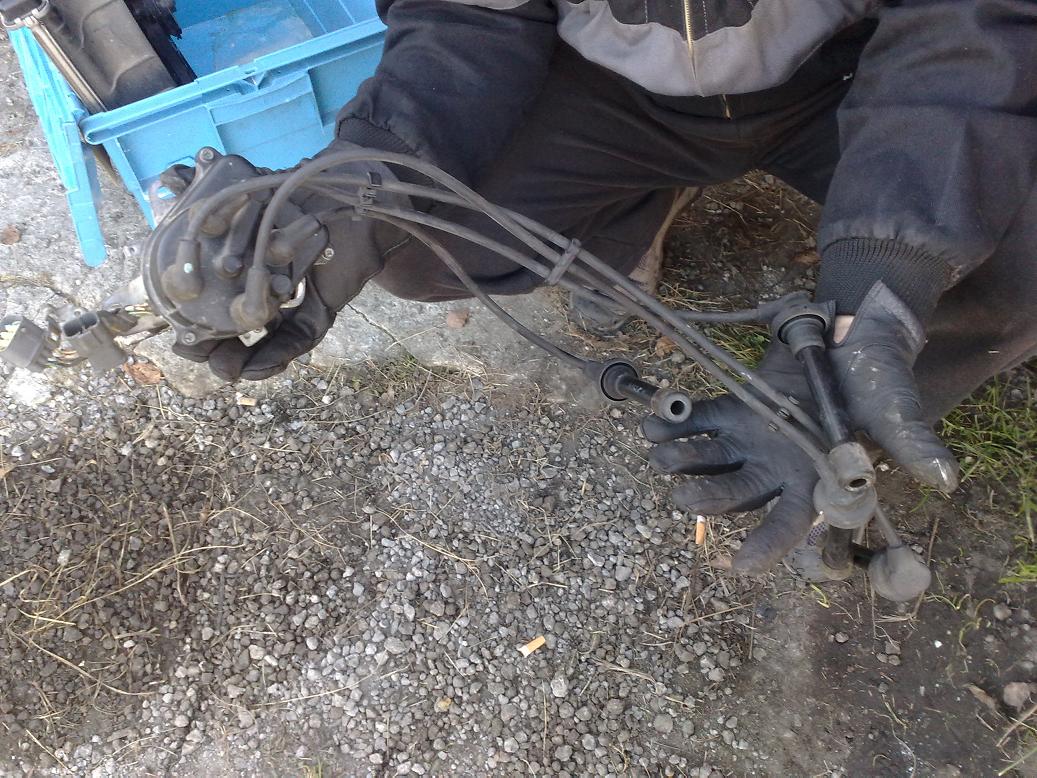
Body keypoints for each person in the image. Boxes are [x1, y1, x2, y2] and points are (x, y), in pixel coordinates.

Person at [175, 0, 1037, 574]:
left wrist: (881, 283)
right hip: (606, 87)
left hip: (859, 65)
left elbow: (970, 21)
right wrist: (365, 187)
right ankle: (638, 210)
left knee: (1017, 241)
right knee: (423, 242)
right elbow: (467, 14)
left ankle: (872, 378)